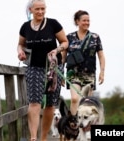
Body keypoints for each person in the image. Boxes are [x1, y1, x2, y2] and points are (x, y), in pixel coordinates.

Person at [17, 0, 68, 140]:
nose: (40, 11)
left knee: (51, 105)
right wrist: (20, 52)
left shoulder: (53, 24)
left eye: (43, 9)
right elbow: (20, 44)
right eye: (37, 9)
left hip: (53, 68)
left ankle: (44, 137)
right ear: (31, 10)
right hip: (34, 67)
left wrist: (56, 49)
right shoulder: (25, 27)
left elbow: (65, 42)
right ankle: (34, 138)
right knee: (34, 102)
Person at [65, 10, 106, 116]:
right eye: (84, 20)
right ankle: (74, 125)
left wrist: (102, 72)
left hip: (89, 74)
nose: (87, 23)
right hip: (73, 74)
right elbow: (63, 57)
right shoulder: (69, 37)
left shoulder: (95, 37)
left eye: (88, 20)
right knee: (74, 99)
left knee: (85, 102)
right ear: (77, 21)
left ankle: (84, 128)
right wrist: (59, 73)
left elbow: (101, 56)